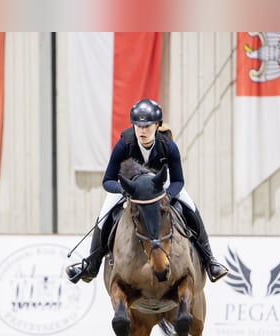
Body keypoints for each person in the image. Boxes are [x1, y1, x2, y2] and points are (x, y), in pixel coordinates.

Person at [66, 98, 228, 284]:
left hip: (162, 188)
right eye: (138, 126)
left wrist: (167, 196)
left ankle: (210, 261)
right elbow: (108, 180)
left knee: (191, 208)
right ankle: (91, 265)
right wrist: (124, 190)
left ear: (157, 125)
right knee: (105, 215)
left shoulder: (168, 146)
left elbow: (178, 181)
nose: (142, 130)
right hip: (131, 189)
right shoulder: (124, 144)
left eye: (147, 126)